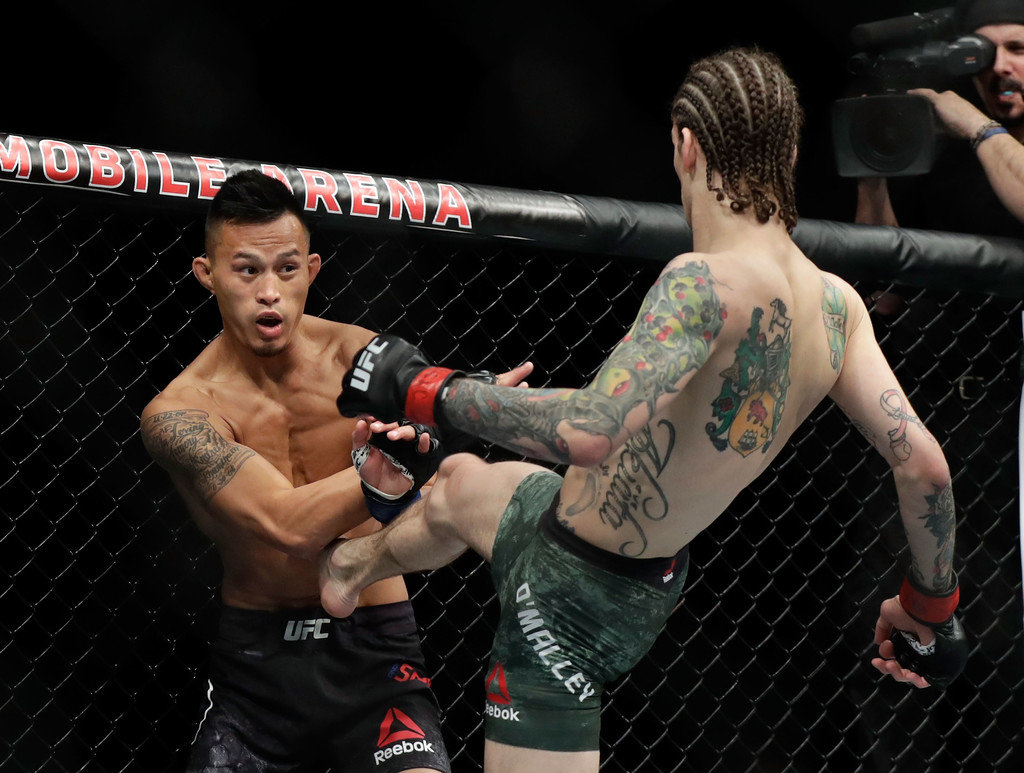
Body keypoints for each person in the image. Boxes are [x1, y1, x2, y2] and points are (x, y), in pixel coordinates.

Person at [322, 47, 969, 772]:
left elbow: (587, 431)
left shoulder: (702, 281)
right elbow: (926, 466)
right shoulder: (838, 304)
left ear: (684, 144)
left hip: (570, 602)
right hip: (628, 561)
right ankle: (347, 571)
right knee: (459, 487)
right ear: (790, 150)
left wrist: (424, 387)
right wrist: (930, 607)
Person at [140, 169, 531, 772]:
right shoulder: (180, 413)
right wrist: (389, 470)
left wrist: (457, 417)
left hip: (376, 651)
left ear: (313, 270)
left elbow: (431, 469)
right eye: (247, 270)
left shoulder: (365, 360)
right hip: (257, 668)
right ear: (207, 274)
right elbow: (286, 525)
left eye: (287, 269)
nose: (270, 291)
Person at [856, 0, 1024, 236]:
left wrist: (977, 125)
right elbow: (881, 259)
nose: (998, 67)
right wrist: (871, 169)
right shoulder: (945, 162)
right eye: (983, 52)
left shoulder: (974, 128)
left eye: (1017, 49)